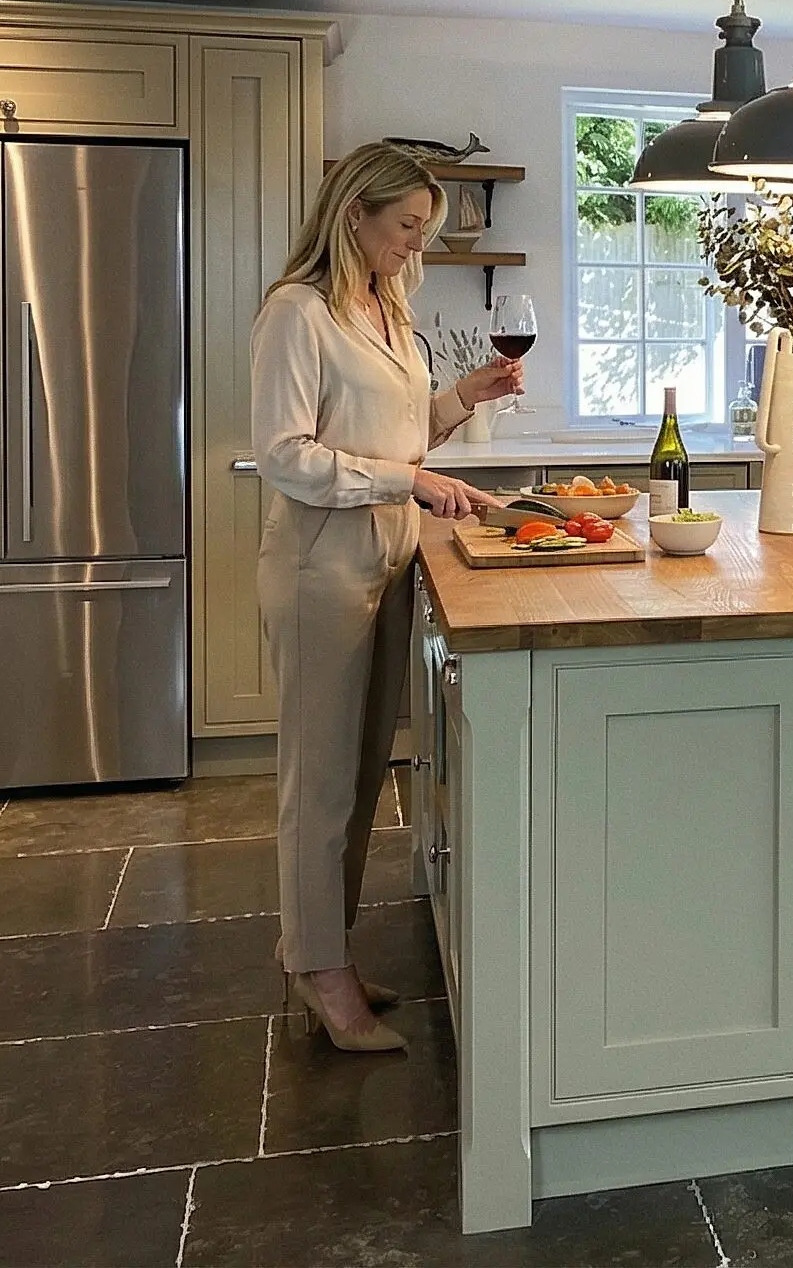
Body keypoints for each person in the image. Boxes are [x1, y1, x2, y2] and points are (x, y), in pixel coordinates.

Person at [253, 141, 522, 1049]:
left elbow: (402, 436)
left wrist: (461, 398)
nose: (416, 245)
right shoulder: (297, 314)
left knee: (367, 774)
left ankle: (326, 951)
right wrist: (404, 484)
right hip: (320, 568)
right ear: (354, 213)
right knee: (319, 782)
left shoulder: (387, 308)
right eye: (406, 227)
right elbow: (287, 456)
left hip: (387, 561)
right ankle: (320, 975)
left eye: (425, 231)